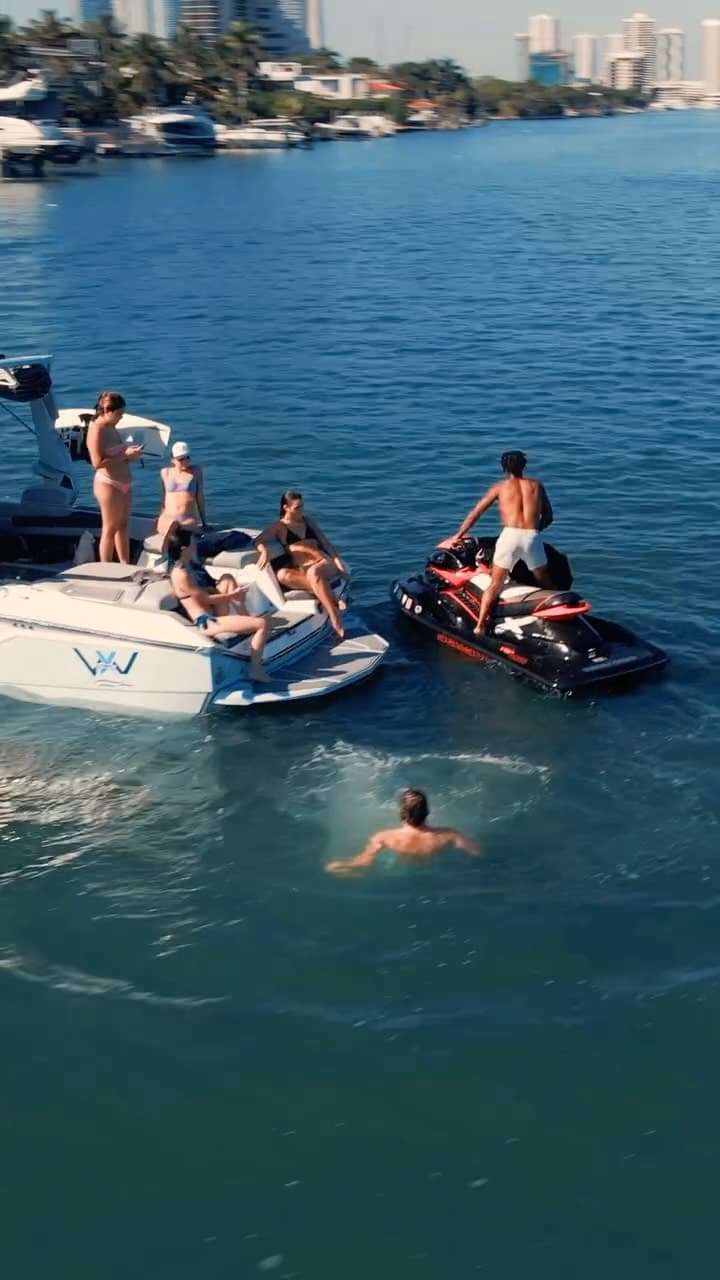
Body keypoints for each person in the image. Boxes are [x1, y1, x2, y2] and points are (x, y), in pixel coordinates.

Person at [453, 450, 554, 635]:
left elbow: (476, 513)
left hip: (509, 536)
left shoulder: (499, 488)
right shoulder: (537, 486)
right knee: (545, 582)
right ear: (524, 466)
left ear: (503, 468)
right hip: (532, 536)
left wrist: (459, 535)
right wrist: (534, 531)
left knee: (495, 584)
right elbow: (548, 517)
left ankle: (480, 625)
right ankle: (552, 619)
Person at [165, 525, 271, 682]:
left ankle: (244, 623)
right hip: (208, 622)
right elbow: (203, 600)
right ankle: (255, 668)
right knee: (262, 624)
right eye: (192, 543)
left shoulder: (185, 566)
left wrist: (228, 594)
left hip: (213, 614)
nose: (195, 545)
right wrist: (232, 596)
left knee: (227, 579)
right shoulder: (181, 574)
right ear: (183, 548)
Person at [255, 491, 349, 640]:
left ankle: (334, 616)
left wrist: (338, 563)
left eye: (302, 507)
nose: (301, 511)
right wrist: (264, 551)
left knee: (313, 573)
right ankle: (333, 598)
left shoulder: (308, 521)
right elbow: (258, 540)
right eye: (297, 508)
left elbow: (325, 543)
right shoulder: (279, 527)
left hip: (323, 563)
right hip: (303, 569)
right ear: (286, 507)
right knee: (282, 575)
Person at [325, 789, 481, 875]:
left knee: (332, 868)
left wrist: (338, 865)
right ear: (427, 811)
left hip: (399, 873)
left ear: (401, 812)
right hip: (432, 873)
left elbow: (364, 862)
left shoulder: (384, 837)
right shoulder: (450, 834)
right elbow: (476, 853)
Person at [87, 391, 144, 563]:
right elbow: (97, 463)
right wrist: (125, 455)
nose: (121, 418)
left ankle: (124, 564)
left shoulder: (112, 427)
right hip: (108, 483)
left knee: (124, 526)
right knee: (110, 528)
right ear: (107, 411)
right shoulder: (97, 429)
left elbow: (118, 454)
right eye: (119, 414)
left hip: (124, 481)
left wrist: (130, 455)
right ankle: (106, 567)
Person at [157, 440, 207, 537]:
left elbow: (200, 497)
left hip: (187, 518)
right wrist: (160, 515)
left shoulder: (196, 472)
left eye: (187, 458)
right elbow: (164, 498)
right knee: (170, 526)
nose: (185, 462)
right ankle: (171, 528)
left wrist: (204, 522)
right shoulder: (165, 472)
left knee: (180, 528)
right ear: (173, 459)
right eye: (181, 459)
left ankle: (176, 529)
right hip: (168, 517)